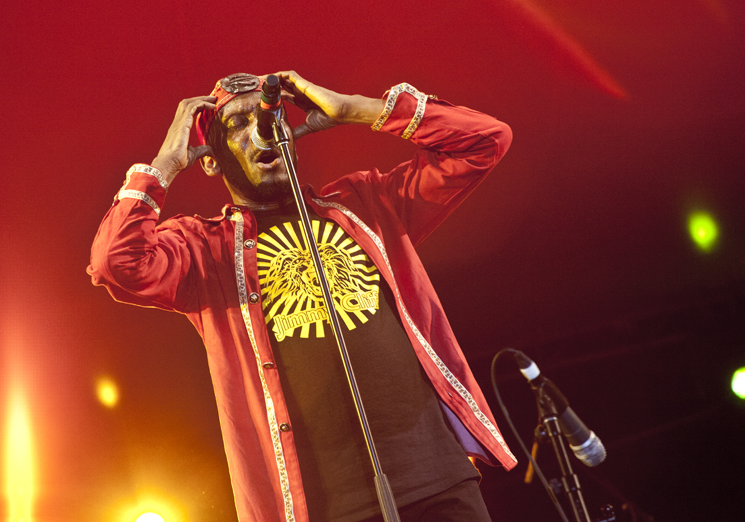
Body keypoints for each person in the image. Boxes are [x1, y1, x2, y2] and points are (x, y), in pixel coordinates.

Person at [88, 71, 517, 522]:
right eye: (237, 125)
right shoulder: (204, 251)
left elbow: (485, 141)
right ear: (211, 159)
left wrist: (354, 108)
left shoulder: (365, 204)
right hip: (328, 509)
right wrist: (166, 163)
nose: (262, 130)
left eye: (271, 116)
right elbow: (115, 263)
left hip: (439, 483)